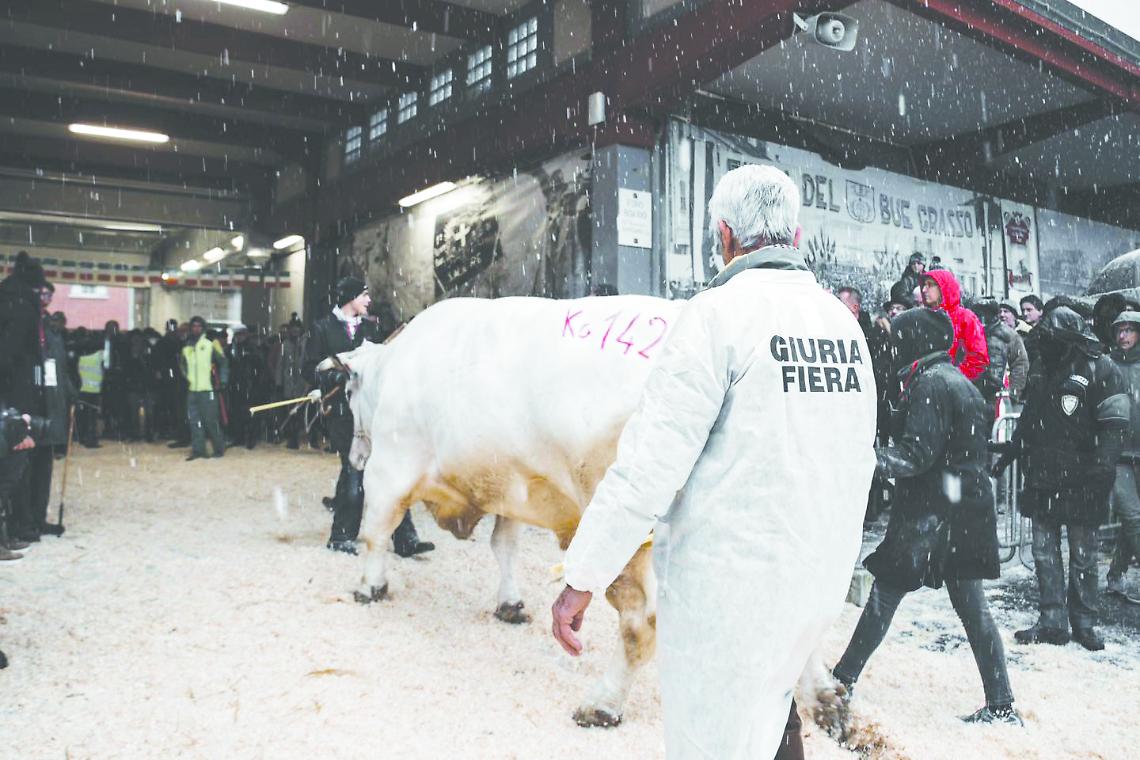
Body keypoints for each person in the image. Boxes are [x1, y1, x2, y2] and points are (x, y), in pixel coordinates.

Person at [551, 165, 877, 759]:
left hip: (730, 588)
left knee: (716, 740)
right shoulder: (842, 326)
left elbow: (648, 466)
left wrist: (583, 577)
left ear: (724, 235)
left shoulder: (715, 316)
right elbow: (859, 458)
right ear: (796, 237)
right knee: (776, 713)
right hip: (814, 578)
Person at [831, 308, 1019, 726]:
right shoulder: (954, 380)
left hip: (933, 514)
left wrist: (863, 459)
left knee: (885, 595)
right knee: (972, 609)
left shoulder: (930, 384)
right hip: (963, 507)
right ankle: (1001, 702)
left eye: (899, 339)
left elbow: (915, 456)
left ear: (914, 341)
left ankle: (841, 680)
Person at [993, 306, 1129, 651]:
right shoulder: (1043, 365)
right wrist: (1014, 446)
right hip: (1043, 475)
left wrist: (1103, 468)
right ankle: (1052, 620)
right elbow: (1031, 414)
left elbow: (1114, 426)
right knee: (1043, 552)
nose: (1045, 341)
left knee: (1083, 554)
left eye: (1053, 336)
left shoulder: (1101, 367)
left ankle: (1084, 622)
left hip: (1084, 478)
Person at [304, 277, 434, 557]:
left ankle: (405, 539)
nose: (368, 301)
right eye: (363, 296)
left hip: (373, 409)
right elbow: (309, 368)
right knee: (353, 472)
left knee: (391, 471)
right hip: (342, 411)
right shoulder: (322, 329)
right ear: (349, 298)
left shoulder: (371, 328)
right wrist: (332, 377)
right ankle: (341, 537)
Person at [0, 251, 47, 547]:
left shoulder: (8, 297)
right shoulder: (22, 305)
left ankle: (14, 528)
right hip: (14, 393)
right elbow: (13, 352)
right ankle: (16, 527)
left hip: (9, 393)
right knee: (15, 464)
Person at [27, 281, 75, 539]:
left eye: (49, 294)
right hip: (31, 406)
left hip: (51, 406)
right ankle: (22, 522)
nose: (45, 298)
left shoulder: (49, 326)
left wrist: (70, 393)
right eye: (41, 293)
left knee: (43, 468)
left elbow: (58, 367)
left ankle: (38, 517)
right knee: (26, 468)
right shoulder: (22, 323)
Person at [1107, 311, 1140, 602]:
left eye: (1130, 330)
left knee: (1134, 521)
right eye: (1120, 330)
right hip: (1118, 453)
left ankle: (1115, 574)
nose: (1124, 336)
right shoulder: (1108, 365)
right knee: (1131, 515)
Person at [920, 269, 988, 381]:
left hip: (957, 389)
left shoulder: (965, 318)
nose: (924, 290)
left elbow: (978, 359)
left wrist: (951, 378)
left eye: (930, 285)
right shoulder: (924, 318)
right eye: (924, 285)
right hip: (928, 387)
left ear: (943, 287)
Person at [180, 316, 227, 461]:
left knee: (211, 421)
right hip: (192, 390)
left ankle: (219, 449)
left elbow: (224, 363)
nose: (196, 328)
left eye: (199, 326)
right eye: (193, 326)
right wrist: (187, 378)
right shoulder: (187, 346)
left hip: (208, 390)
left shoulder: (211, 344)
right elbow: (182, 365)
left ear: (203, 328)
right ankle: (198, 450)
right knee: (195, 422)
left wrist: (223, 381)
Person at [971, 300, 1029, 407]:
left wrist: (1012, 393)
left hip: (998, 396)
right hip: (973, 394)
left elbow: (1020, 364)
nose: (984, 317)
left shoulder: (1009, 335)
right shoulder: (971, 332)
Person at [276, 318, 308, 449]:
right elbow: (280, 365)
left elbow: (308, 363)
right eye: (293, 328)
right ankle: (292, 438)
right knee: (290, 412)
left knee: (300, 412)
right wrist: (279, 382)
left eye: (297, 328)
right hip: (289, 384)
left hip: (302, 384)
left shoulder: (306, 344)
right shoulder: (285, 345)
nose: (295, 331)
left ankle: (301, 436)